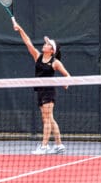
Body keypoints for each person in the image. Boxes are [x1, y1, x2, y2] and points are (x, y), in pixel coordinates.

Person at [13, 21, 71, 155]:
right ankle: (59, 145)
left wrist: (66, 82)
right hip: (40, 91)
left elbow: (67, 75)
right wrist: (20, 29)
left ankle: (44, 146)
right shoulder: (37, 56)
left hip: (49, 92)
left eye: (48, 44)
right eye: (45, 43)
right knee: (49, 118)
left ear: (52, 50)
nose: (45, 45)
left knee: (46, 118)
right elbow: (28, 42)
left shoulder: (55, 62)